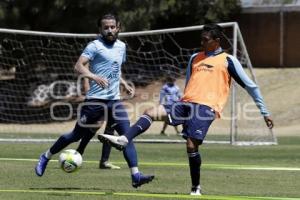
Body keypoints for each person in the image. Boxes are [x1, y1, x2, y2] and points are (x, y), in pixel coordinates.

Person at [98, 23, 274, 195]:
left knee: (191, 146)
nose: (202, 43)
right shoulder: (194, 58)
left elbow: (251, 86)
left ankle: (195, 187)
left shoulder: (228, 60)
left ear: (217, 41)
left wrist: (264, 111)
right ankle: (124, 139)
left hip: (206, 108)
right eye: (201, 39)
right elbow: (190, 84)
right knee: (150, 112)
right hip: (185, 103)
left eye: (205, 40)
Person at [35, 13, 154, 188]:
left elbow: (116, 68)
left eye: (112, 27)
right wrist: (93, 76)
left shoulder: (121, 46)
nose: (109, 30)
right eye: (106, 27)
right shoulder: (94, 46)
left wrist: (123, 83)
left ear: (118, 27)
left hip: (114, 101)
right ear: (100, 29)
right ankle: (46, 156)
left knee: (126, 136)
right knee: (75, 135)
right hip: (94, 101)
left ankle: (136, 175)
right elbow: (78, 66)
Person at [76, 77, 134, 169]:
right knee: (96, 124)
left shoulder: (115, 64)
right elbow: (86, 74)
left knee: (110, 126)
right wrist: (89, 93)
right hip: (98, 97)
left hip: (112, 97)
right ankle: (79, 152)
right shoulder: (94, 63)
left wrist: (125, 84)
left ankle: (104, 161)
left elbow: (116, 73)